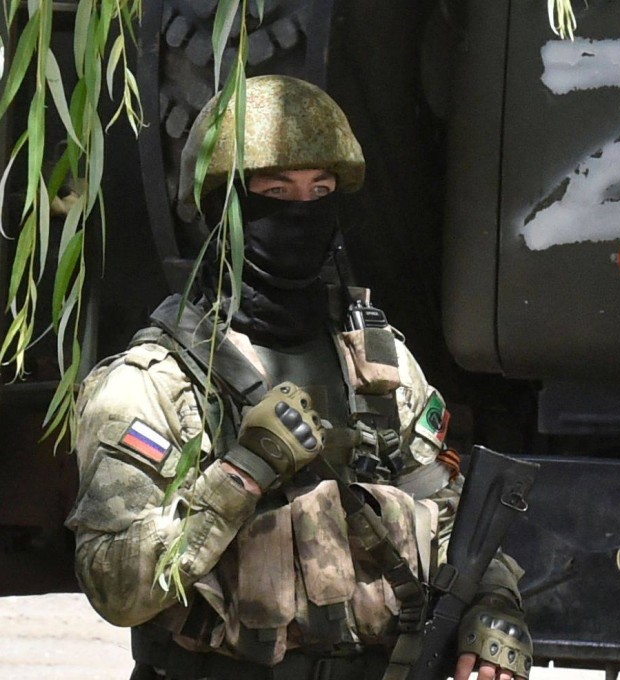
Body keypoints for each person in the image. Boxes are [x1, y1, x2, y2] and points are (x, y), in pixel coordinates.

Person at [65, 75, 532, 680]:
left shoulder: (375, 362)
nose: (302, 211)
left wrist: (493, 606)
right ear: (221, 208)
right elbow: (116, 588)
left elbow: (444, 513)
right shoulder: (156, 381)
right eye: (276, 191)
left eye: (321, 191)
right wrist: (240, 474)